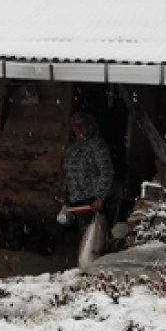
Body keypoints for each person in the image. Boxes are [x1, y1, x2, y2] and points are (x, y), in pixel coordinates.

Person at [61, 112, 115, 266]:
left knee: (93, 239)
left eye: (82, 125)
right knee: (82, 237)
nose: (79, 129)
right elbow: (67, 173)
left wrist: (100, 197)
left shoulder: (97, 146)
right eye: (75, 126)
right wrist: (65, 196)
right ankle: (83, 266)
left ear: (89, 126)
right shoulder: (73, 148)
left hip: (92, 201)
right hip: (77, 200)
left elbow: (107, 171)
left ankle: (91, 267)